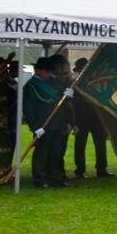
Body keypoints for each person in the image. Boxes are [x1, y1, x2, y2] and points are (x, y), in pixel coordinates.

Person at [23, 56, 73, 188]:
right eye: (46, 71)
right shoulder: (31, 86)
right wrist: (35, 127)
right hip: (42, 126)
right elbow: (28, 109)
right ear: (37, 70)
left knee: (56, 153)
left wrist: (67, 94)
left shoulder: (52, 82)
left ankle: (56, 178)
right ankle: (40, 179)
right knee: (42, 153)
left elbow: (61, 101)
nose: (49, 74)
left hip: (57, 123)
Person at [69, 57, 112, 179]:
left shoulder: (95, 82)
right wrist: (84, 100)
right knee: (80, 145)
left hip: (96, 118)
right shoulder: (74, 83)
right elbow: (71, 100)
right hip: (80, 117)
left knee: (100, 143)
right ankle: (80, 170)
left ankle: (102, 168)